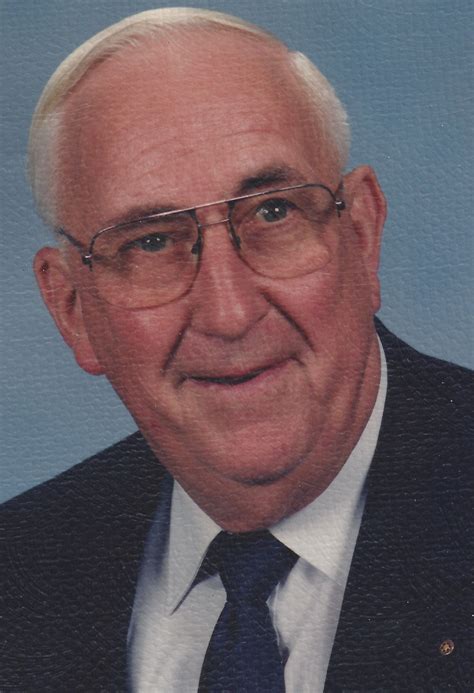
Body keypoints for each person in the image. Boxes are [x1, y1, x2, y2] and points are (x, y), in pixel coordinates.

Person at [0, 7, 472, 691]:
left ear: (363, 235)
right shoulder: (17, 573)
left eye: (274, 211)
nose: (229, 312)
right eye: (151, 242)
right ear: (72, 308)